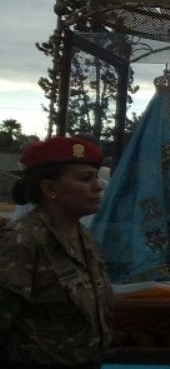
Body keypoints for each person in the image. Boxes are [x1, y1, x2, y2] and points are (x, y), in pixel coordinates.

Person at [0, 136, 113, 367]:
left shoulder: (85, 238)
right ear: (50, 188)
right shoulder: (22, 242)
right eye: (85, 179)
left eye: (95, 177)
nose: (97, 186)